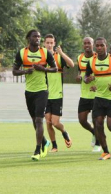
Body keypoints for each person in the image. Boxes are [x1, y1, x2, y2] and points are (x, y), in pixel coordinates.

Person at [13, 30, 57, 161]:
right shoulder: (22, 52)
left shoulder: (45, 52)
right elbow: (14, 71)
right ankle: (45, 142)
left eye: (39, 36)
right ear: (28, 38)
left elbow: (55, 68)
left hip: (42, 91)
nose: (37, 38)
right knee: (34, 120)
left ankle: (38, 149)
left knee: (39, 120)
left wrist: (44, 69)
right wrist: (25, 71)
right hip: (29, 92)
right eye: (34, 36)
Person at [84, 37, 111, 160]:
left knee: (110, 126)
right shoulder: (91, 61)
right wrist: (87, 79)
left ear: (106, 47)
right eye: (97, 46)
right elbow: (86, 76)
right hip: (98, 98)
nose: (99, 48)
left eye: (101, 45)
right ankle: (106, 152)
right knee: (98, 124)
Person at [44, 34, 74, 152]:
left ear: (54, 44)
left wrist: (61, 53)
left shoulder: (58, 57)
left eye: (51, 43)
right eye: (47, 42)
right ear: (44, 44)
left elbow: (71, 64)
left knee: (55, 122)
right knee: (48, 121)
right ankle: (54, 146)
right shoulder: (42, 58)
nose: (49, 45)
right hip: (45, 95)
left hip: (57, 95)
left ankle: (64, 132)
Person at [76, 37, 101, 152]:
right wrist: (79, 76)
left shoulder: (98, 57)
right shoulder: (80, 57)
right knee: (82, 120)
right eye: (85, 43)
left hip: (96, 94)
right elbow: (80, 71)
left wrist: (93, 78)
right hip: (84, 94)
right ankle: (94, 133)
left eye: (89, 43)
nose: (87, 45)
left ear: (93, 45)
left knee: (96, 120)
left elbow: (102, 72)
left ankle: (98, 144)